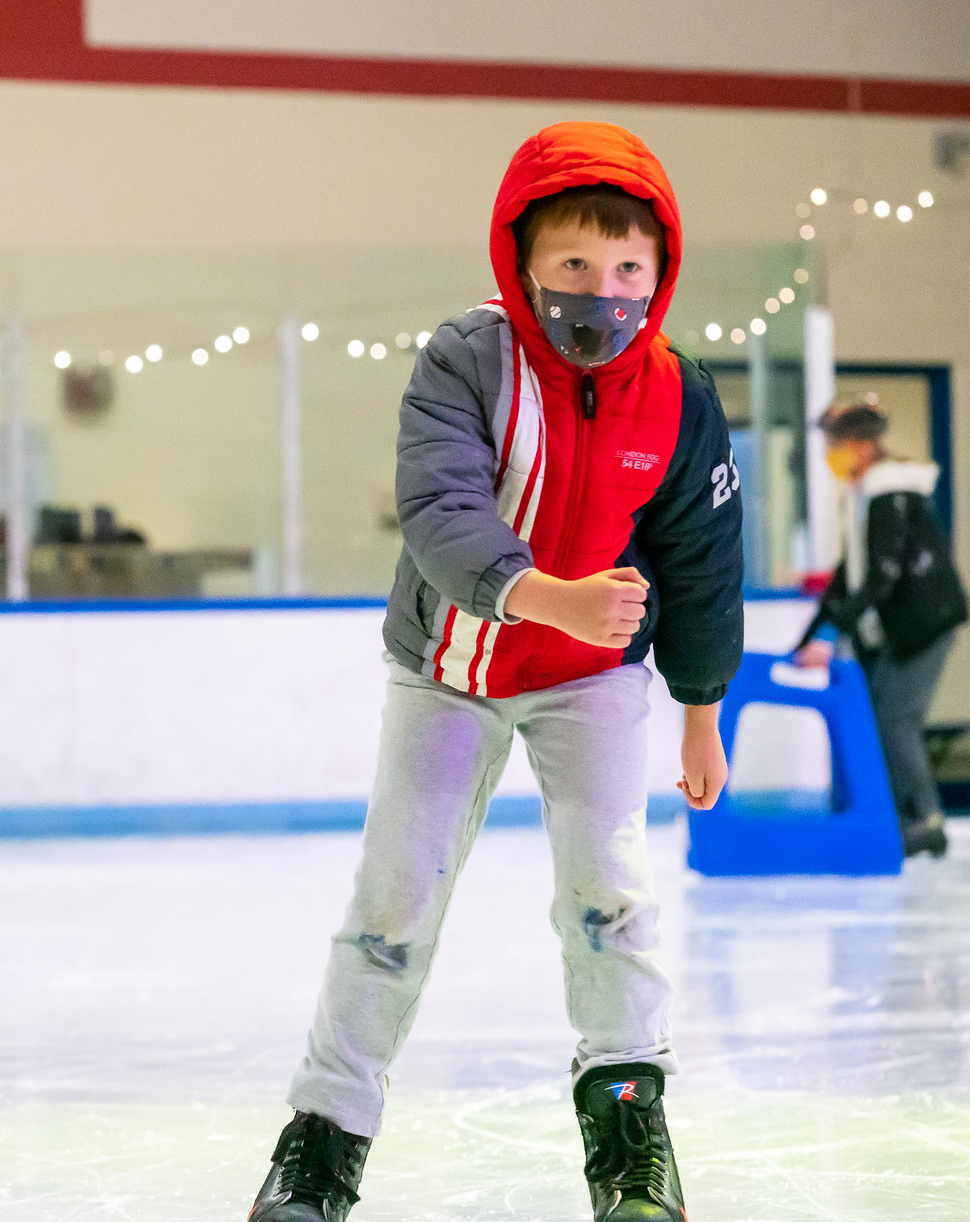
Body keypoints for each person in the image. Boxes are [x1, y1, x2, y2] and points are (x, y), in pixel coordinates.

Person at [246, 122, 742, 1222]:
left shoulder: (675, 393)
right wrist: (543, 592)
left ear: (658, 278)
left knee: (610, 898)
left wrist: (700, 707)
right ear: (520, 259)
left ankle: (628, 1143)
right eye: (572, 264)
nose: (598, 292)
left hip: (593, 681)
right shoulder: (465, 358)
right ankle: (320, 1145)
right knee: (392, 900)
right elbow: (437, 510)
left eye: (626, 271)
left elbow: (701, 562)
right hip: (448, 668)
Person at [793, 401, 970, 858]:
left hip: (924, 626)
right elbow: (848, 573)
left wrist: (831, 636)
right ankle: (889, 817)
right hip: (898, 631)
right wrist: (813, 634)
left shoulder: (891, 492)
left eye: (838, 444)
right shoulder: (866, 492)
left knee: (895, 722)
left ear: (865, 445)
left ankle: (925, 820)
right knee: (876, 719)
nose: (832, 453)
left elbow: (881, 576)